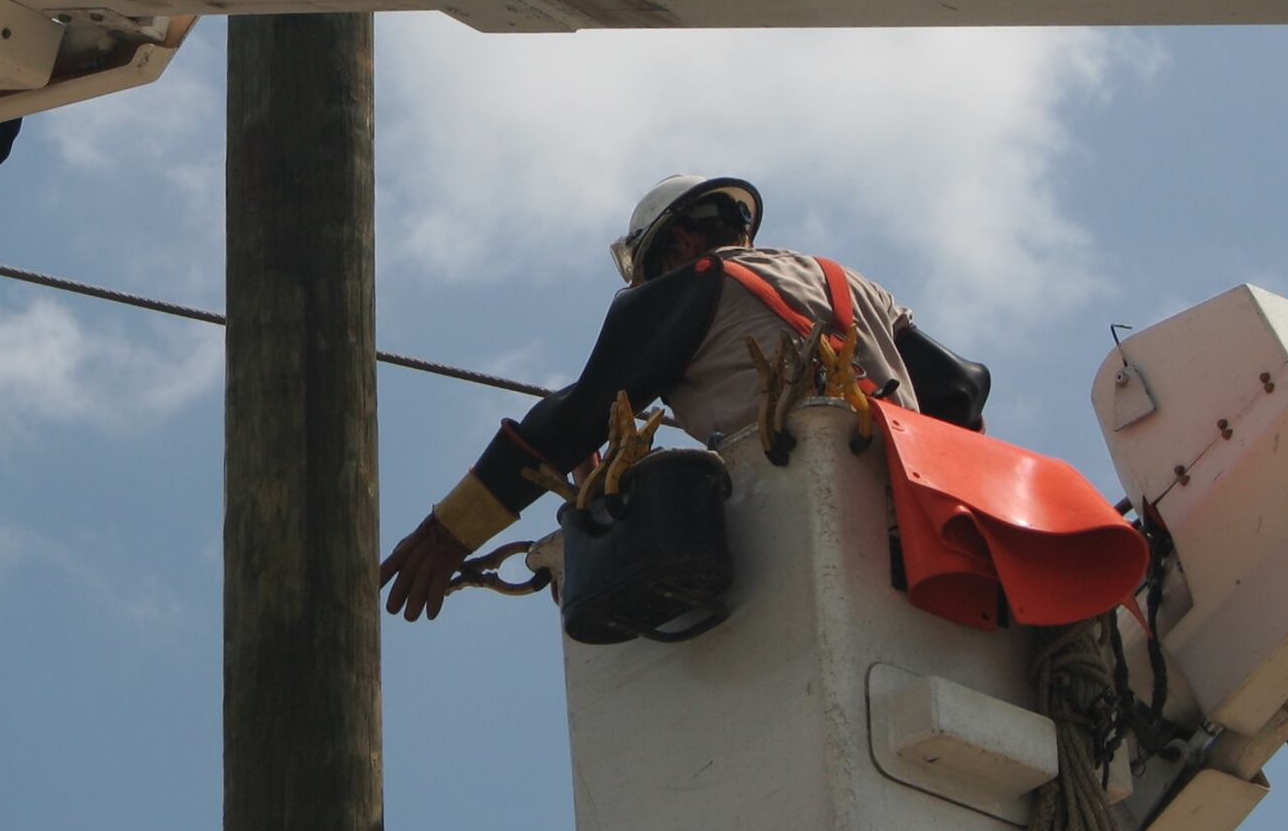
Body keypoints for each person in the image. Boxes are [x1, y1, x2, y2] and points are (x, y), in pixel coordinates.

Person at [379, 174, 990, 622]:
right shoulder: (847, 281)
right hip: (919, 530)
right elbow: (961, 388)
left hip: (799, 527)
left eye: (653, 268)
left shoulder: (691, 288)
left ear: (683, 242)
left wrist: (448, 533)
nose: (650, 286)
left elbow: (573, 418)